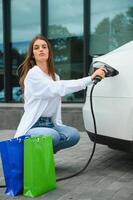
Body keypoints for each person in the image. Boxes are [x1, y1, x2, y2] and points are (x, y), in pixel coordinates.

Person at [14, 34, 106, 153]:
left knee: (73, 135)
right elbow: (57, 88)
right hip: (34, 126)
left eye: (44, 47)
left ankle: (43, 158)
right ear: (33, 54)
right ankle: (33, 154)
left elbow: (57, 87)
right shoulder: (33, 75)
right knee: (52, 136)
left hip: (50, 124)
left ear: (49, 51)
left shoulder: (54, 77)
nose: (41, 49)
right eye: (36, 48)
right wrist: (89, 79)